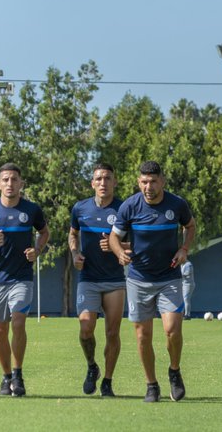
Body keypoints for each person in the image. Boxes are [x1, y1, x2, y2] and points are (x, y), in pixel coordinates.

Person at [109, 161, 196, 403]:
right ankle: (151, 385)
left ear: (162, 181)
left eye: (153, 181)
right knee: (142, 336)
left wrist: (184, 248)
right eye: (144, 182)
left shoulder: (176, 204)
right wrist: (119, 253)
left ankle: (175, 371)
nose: (149, 186)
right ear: (139, 182)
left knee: (172, 330)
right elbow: (114, 237)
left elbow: (190, 226)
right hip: (138, 280)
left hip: (169, 277)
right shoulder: (129, 206)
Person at [0, 163, 49, 397]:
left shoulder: (31, 210)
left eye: (14, 179)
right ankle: (6, 378)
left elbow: (45, 233)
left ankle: (17, 373)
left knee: (18, 322)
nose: (10, 184)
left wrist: (37, 249)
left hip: (22, 278)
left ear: (21, 183)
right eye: (5, 180)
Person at [69, 163, 129, 397]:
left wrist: (119, 246)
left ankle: (108, 381)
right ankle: (92, 366)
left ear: (114, 182)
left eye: (108, 178)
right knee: (86, 328)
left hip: (114, 280)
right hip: (88, 279)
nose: (103, 183)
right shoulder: (80, 208)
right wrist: (75, 254)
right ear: (92, 183)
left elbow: (137, 243)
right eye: (99, 179)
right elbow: (72, 234)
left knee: (112, 333)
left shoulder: (124, 209)